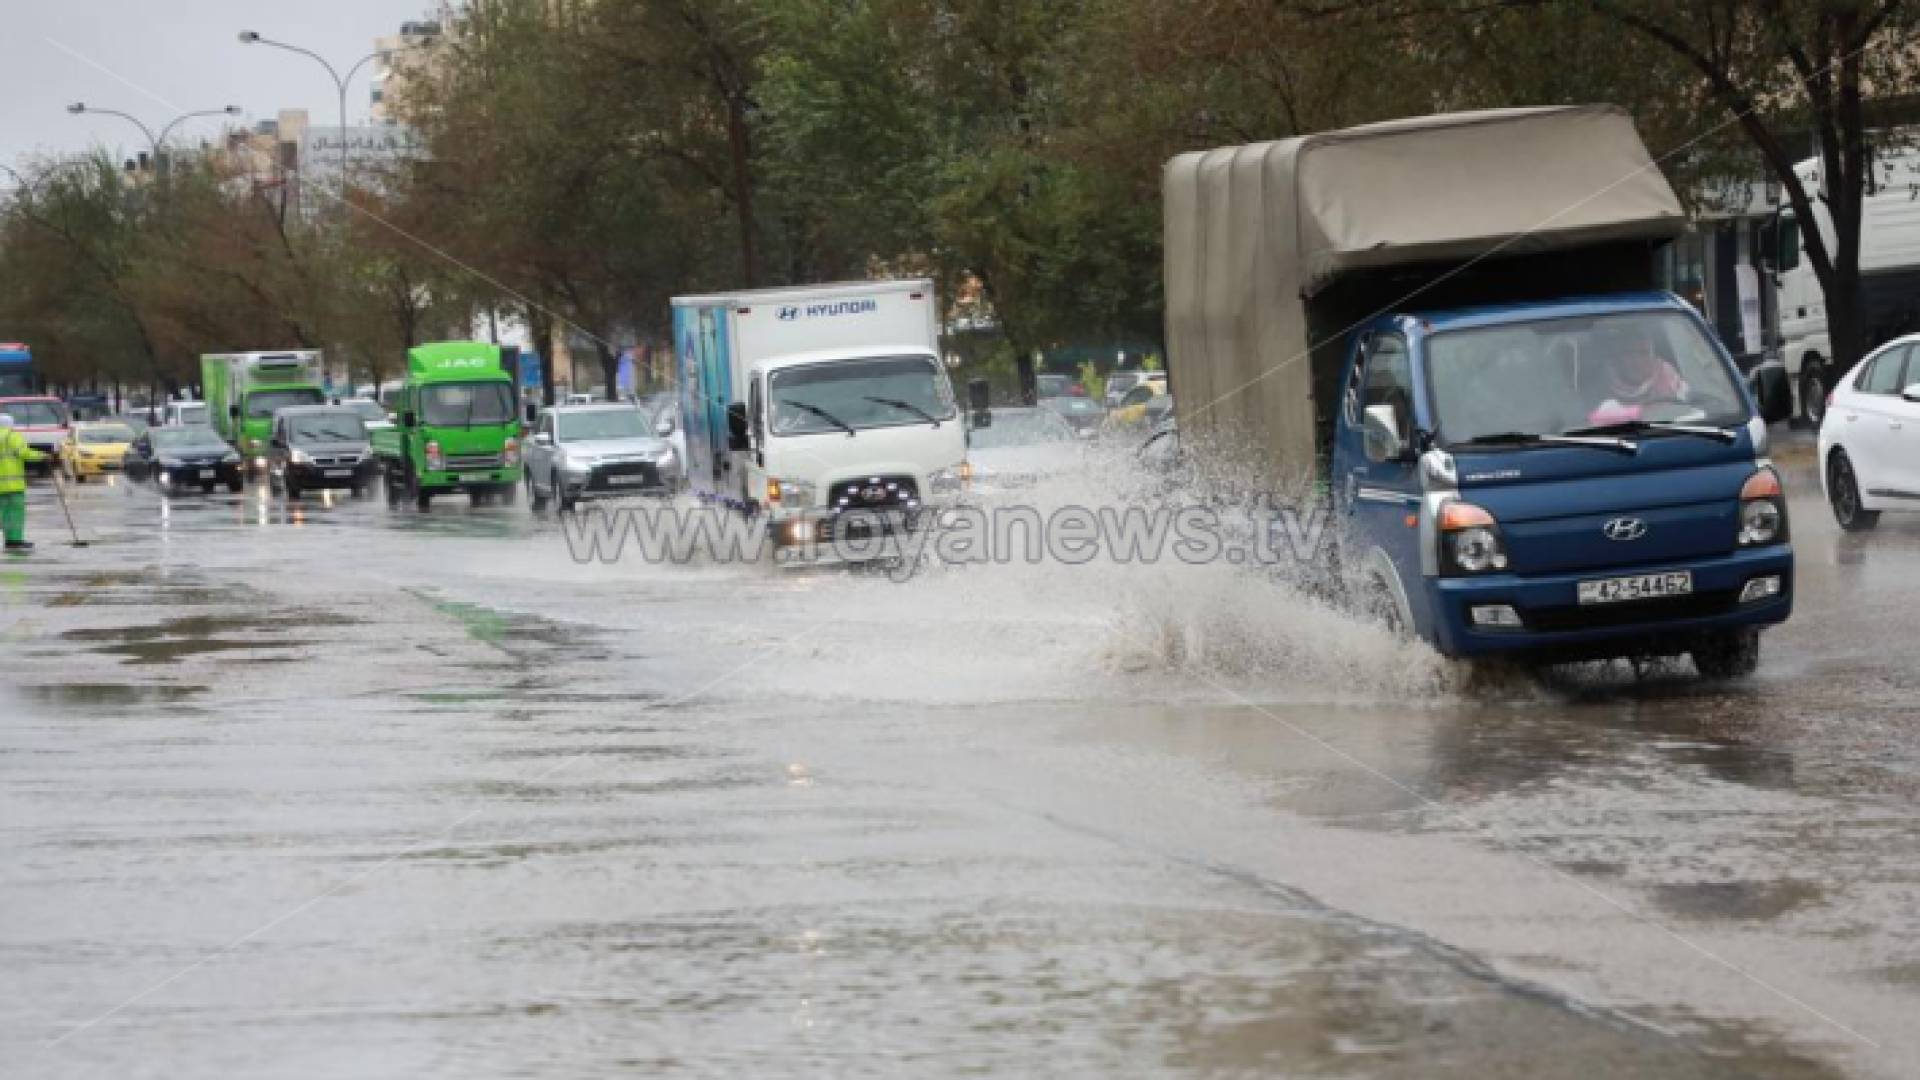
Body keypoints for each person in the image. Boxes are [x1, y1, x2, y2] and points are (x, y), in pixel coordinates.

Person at [1589, 323, 1688, 423]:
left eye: (1643, 353)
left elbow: (1689, 409)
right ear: (1618, 358)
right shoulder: (1601, 386)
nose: (1636, 360)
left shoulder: (1669, 378)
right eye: (1629, 353)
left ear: (1653, 356)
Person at [0, 412, 49, 553]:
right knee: (15, 514)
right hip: (13, 485)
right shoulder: (12, 436)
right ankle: (14, 541)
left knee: (4, 513)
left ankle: (10, 540)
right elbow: (24, 453)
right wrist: (42, 456)